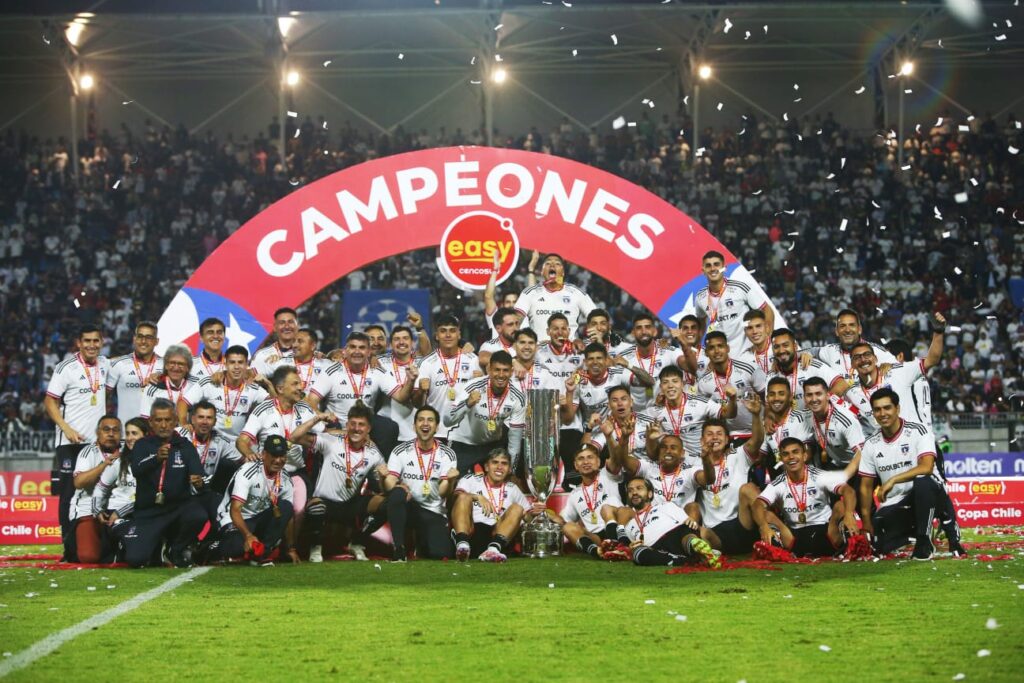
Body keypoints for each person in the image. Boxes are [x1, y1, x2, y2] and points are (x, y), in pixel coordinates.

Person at [857, 388, 964, 560]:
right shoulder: (871, 444)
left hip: (929, 494)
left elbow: (927, 467)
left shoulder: (919, 431)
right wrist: (867, 521)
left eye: (887, 408)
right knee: (881, 545)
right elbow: (865, 486)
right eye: (877, 409)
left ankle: (927, 538)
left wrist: (893, 480)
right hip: (898, 501)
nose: (882, 413)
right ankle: (913, 533)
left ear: (897, 409)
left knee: (923, 481)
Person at [44, 324, 110, 561]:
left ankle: (98, 546)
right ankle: (68, 549)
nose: (92, 345)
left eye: (96, 340)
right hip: (70, 443)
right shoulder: (66, 368)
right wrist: (66, 428)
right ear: (78, 343)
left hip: (95, 443)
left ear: (101, 342)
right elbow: (50, 401)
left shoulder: (106, 364)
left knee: (100, 490)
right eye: (87, 341)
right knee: (69, 493)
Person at [116, 399, 207, 568]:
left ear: (175, 421)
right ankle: (143, 541)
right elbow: (137, 469)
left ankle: (175, 549)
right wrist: (156, 458)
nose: (164, 425)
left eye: (168, 420)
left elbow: (200, 477)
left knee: (199, 514)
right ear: (151, 422)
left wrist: (199, 483)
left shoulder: (185, 446)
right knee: (136, 560)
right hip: (149, 513)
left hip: (177, 510)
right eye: (158, 420)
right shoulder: (142, 445)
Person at [297, 404, 389, 563]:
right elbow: (294, 437)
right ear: (347, 425)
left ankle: (357, 543)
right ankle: (316, 546)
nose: (356, 428)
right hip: (324, 502)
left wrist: (383, 478)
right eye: (352, 423)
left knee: (387, 503)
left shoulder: (373, 453)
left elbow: (383, 488)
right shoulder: (331, 441)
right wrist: (316, 419)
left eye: (361, 425)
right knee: (316, 507)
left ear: (369, 429)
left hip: (349, 505)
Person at [237, 366, 329, 521]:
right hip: (268, 472)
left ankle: (292, 546)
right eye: (295, 384)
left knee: (299, 509)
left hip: (295, 472)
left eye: (300, 383)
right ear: (280, 388)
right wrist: (249, 453)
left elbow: (325, 433)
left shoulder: (304, 408)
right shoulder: (264, 409)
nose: (300, 387)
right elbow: (242, 440)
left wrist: (347, 434)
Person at [752, 438, 860, 557]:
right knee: (766, 515)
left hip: (826, 533)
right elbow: (757, 504)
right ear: (781, 459)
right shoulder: (778, 483)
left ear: (804, 456)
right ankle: (776, 552)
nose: (791, 457)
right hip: (794, 537)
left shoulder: (819, 475)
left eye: (795, 452)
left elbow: (848, 491)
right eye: (786, 454)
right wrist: (763, 526)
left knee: (841, 506)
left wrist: (849, 514)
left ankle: (851, 547)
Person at [690, 409, 772, 556]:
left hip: (740, 523)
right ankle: (708, 552)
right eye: (709, 434)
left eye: (719, 434)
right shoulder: (694, 465)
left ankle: (767, 533)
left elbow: (757, 441)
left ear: (727, 439)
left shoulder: (737, 456)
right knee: (702, 530)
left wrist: (755, 415)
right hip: (712, 530)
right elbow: (706, 478)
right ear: (702, 441)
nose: (715, 437)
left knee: (748, 489)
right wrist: (705, 459)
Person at [383, 406, 460, 561]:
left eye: (430, 420)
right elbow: (389, 483)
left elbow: (443, 492)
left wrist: (450, 481)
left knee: (441, 554)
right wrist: (393, 483)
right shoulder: (401, 450)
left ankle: (424, 543)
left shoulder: (447, 454)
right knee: (397, 493)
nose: (425, 424)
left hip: (434, 511)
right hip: (409, 507)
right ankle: (399, 549)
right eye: (421, 420)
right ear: (414, 426)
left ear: (437, 427)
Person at [210, 434, 300, 565]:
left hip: (259, 520)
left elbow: (288, 517)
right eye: (274, 455)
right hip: (235, 519)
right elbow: (235, 509)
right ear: (263, 454)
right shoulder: (248, 471)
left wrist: (290, 548)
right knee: (235, 547)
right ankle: (211, 547)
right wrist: (248, 536)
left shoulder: (285, 479)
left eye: (282, 456)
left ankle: (264, 553)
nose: (278, 460)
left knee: (286, 506)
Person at [846, 313, 947, 427]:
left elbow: (931, 360)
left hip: (915, 437)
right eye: (857, 357)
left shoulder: (902, 373)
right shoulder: (856, 389)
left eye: (887, 355)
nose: (884, 360)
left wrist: (938, 333)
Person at [444, 351, 526, 473]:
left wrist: (511, 471)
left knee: (498, 487)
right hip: (463, 443)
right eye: (497, 370)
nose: (501, 375)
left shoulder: (518, 397)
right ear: (489, 369)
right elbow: (447, 420)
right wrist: (467, 403)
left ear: (512, 371)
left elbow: (515, 440)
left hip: (492, 446)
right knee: (451, 483)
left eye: (505, 370)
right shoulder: (473, 386)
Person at [547, 445, 627, 560]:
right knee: (568, 527)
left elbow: (616, 459)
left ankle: (615, 544)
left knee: (609, 508)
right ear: (576, 465)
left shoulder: (608, 475)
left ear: (599, 461)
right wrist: (546, 513)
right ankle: (597, 552)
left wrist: (609, 436)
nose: (586, 462)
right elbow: (562, 521)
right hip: (597, 538)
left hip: (619, 529)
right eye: (581, 458)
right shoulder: (575, 494)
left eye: (590, 457)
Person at [619, 477, 720, 568]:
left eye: (639, 488)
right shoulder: (630, 525)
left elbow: (687, 522)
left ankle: (694, 545)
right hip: (656, 549)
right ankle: (685, 560)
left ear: (650, 494)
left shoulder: (665, 506)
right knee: (638, 553)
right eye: (630, 490)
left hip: (676, 535)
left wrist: (692, 523)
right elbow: (629, 547)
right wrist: (631, 548)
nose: (634, 492)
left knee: (688, 531)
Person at [452, 448, 532, 562]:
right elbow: (455, 497)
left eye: (504, 464)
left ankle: (492, 550)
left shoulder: (513, 488)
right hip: (472, 531)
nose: (499, 467)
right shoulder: (471, 480)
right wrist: (477, 497)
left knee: (517, 508)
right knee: (464, 496)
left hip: (498, 534)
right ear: (486, 467)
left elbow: (529, 518)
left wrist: (529, 514)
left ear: (509, 469)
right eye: (495, 462)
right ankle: (462, 545)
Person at [562, 343, 652, 437]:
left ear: (606, 360)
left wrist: (628, 365)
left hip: (617, 433)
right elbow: (568, 420)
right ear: (585, 362)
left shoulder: (617, 374)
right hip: (591, 434)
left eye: (599, 358)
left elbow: (649, 382)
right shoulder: (578, 379)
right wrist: (569, 392)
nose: (595, 362)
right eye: (591, 359)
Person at [180, 345, 270, 438]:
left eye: (240, 362)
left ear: (246, 364)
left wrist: (268, 385)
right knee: (181, 432)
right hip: (211, 439)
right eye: (232, 362)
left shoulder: (253, 388)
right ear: (225, 363)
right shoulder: (210, 382)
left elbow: (275, 405)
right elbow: (183, 402)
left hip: (237, 443)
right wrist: (184, 423)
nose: (236, 367)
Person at [67, 415, 123, 563]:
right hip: (88, 509)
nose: (111, 434)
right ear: (97, 433)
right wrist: (104, 465)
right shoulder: (89, 452)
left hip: (120, 509)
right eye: (106, 430)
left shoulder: (128, 449)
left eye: (115, 430)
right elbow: (78, 482)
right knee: (89, 557)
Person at [415, 314, 481, 439]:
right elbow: (418, 404)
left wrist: (482, 381)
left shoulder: (473, 360)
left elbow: (481, 398)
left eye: (452, 331)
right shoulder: (427, 363)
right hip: (437, 432)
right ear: (436, 336)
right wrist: (420, 390)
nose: (448, 335)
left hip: (466, 434)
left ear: (459, 335)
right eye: (443, 331)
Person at [642, 365, 728, 459]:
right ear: (661, 387)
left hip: (701, 460)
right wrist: (650, 441)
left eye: (675, 381)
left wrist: (732, 399)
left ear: (683, 384)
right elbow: (653, 456)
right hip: (673, 463)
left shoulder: (699, 403)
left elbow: (727, 414)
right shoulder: (653, 412)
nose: (670, 385)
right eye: (665, 382)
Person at [92, 417, 148, 560]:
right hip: (115, 515)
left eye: (134, 433)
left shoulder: (154, 461)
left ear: (146, 436)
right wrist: (97, 510)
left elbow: (148, 498)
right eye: (128, 434)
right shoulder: (119, 461)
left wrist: (121, 512)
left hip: (139, 513)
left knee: (137, 556)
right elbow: (100, 488)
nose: (129, 438)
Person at [535, 313, 585, 470]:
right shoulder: (537, 353)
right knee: (542, 475)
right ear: (548, 331)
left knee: (573, 474)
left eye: (564, 328)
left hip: (570, 425)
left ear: (569, 331)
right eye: (555, 328)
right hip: (544, 423)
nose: (560, 332)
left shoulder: (580, 355)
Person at [178, 400, 242, 522]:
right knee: (198, 516)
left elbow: (243, 459)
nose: (205, 422)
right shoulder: (179, 435)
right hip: (180, 492)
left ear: (215, 421)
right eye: (201, 417)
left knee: (222, 512)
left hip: (204, 491)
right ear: (192, 419)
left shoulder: (220, 441)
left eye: (209, 418)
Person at [693, 251, 774, 348]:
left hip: (745, 350)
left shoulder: (740, 288)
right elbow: (701, 321)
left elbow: (767, 310)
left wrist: (767, 338)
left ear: (724, 268)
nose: (713, 268)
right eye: (708, 266)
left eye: (716, 264)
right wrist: (697, 345)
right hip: (720, 352)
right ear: (703, 271)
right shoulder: (700, 297)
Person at [696, 331, 762, 442]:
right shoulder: (703, 382)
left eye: (720, 346)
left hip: (755, 433)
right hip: (725, 439)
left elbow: (767, 396)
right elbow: (704, 414)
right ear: (706, 352)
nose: (716, 351)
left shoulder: (748, 369)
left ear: (727, 348)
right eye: (711, 348)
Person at [608, 430, 700, 508]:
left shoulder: (690, 472)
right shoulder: (649, 468)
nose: (668, 451)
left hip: (680, 523)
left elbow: (709, 479)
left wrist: (707, 459)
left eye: (673, 448)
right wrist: (625, 437)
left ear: (682, 453)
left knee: (693, 508)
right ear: (659, 451)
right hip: (653, 521)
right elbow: (624, 460)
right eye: (664, 447)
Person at [515, 253, 596, 340]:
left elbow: (597, 318)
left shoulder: (576, 293)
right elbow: (515, 322)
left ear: (563, 272)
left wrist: (588, 343)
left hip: (569, 351)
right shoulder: (530, 293)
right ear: (542, 272)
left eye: (557, 264)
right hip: (539, 351)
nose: (552, 265)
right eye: (548, 263)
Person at [767, 328, 850, 411]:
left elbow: (841, 385)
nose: (781, 350)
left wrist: (818, 407)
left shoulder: (810, 365)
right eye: (776, 347)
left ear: (795, 346)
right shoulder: (771, 376)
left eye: (785, 345)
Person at [621, 313, 689, 411]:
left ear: (655, 331)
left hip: (665, 414)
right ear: (633, 333)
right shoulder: (624, 358)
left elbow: (688, 366)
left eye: (647, 327)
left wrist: (683, 342)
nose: (644, 331)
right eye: (639, 328)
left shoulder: (667, 351)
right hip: (637, 416)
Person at [106, 321, 163, 425]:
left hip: (154, 435)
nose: (143, 341)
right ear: (134, 339)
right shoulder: (119, 364)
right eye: (140, 336)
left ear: (156, 341)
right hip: (126, 434)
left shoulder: (165, 367)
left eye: (149, 337)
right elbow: (103, 397)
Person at [816, 309, 897, 382]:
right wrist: (807, 355)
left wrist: (891, 366)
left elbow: (898, 366)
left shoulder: (876, 350)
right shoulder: (830, 350)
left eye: (852, 325)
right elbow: (809, 352)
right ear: (837, 331)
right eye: (842, 326)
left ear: (859, 329)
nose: (847, 330)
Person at [801, 377, 864, 470]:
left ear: (827, 395)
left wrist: (844, 476)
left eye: (818, 394)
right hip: (837, 463)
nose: (814, 399)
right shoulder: (807, 416)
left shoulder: (844, 418)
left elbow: (862, 454)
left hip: (858, 465)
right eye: (809, 395)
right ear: (804, 398)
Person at [139, 344, 193, 422]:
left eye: (181, 364)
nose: (176, 368)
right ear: (166, 365)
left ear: (188, 368)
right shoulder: (152, 388)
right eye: (172, 363)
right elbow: (146, 421)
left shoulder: (193, 388)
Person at [251, 307, 300, 376]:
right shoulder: (262, 356)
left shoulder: (309, 354)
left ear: (298, 326)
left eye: (290, 322)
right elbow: (252, 384)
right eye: (282, 323)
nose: (286, 326)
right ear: (274, 327)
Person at [735, 309, 774, 376]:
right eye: (750, 328)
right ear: (745, 331)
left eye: (758, 326)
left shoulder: (779, 348)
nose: (755, 331)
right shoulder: (743, 359)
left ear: (767, 327)